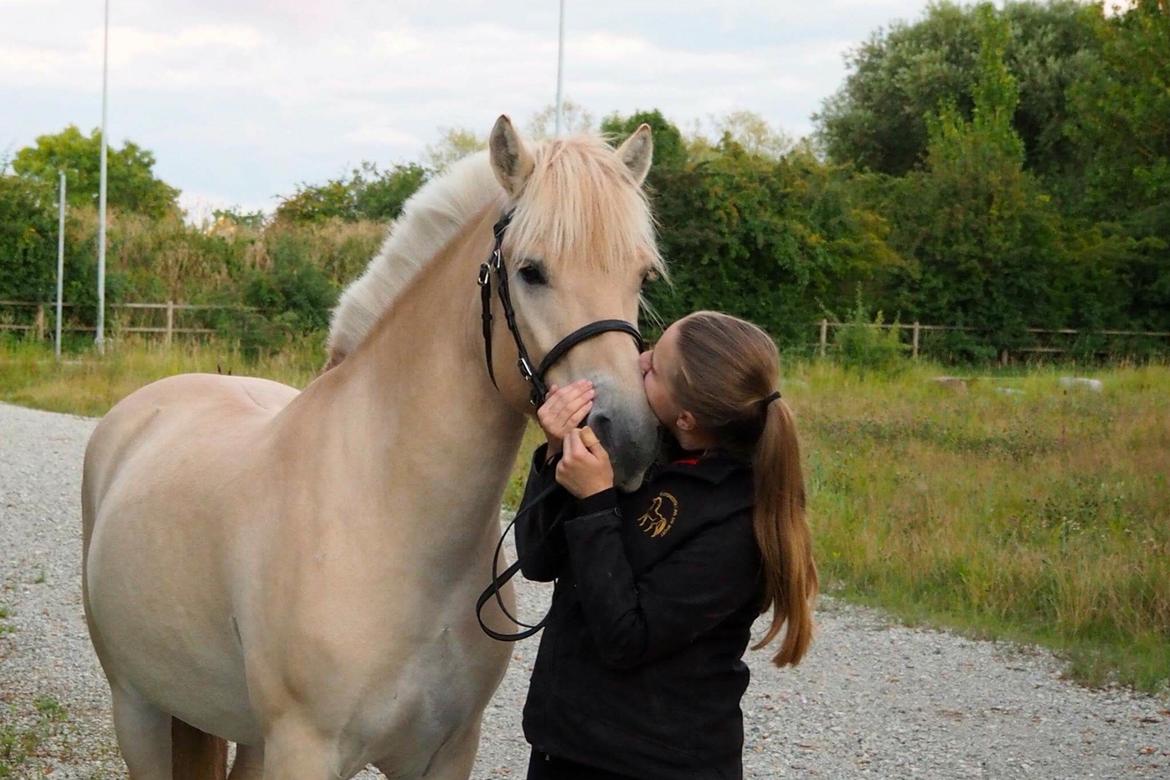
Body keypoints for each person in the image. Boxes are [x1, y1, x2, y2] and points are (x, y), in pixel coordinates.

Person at [514, 310, 818, 780]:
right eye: (650, 345)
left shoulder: (739, 522)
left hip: (655, 765)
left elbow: (626, 639)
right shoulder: (639, 453)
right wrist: (555, 452)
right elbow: (536, 560)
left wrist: (596, 502)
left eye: (654, 366)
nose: (638, 361)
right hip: (566, 746)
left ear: (688, 417)